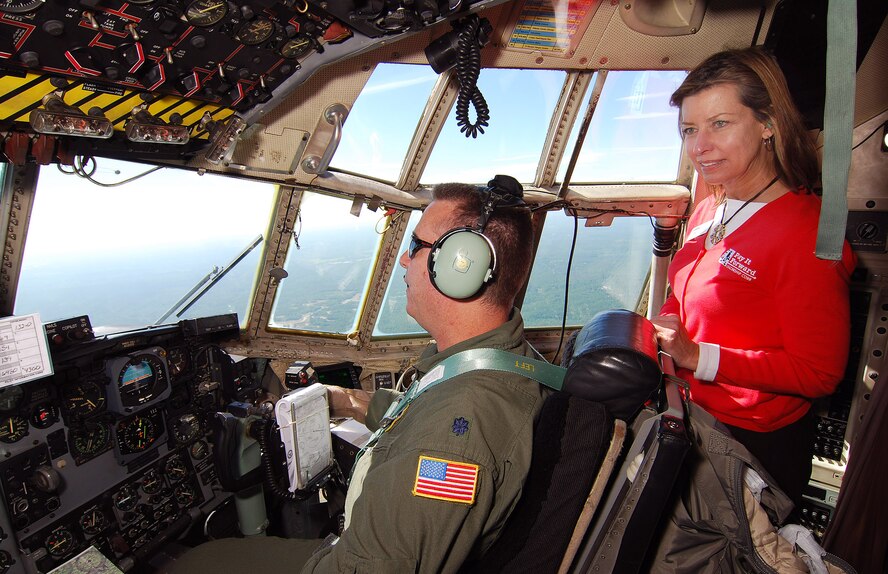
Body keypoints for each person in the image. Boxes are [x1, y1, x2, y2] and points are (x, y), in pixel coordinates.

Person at [170, 175, 548, 573]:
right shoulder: (500, 359)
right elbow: (424, 412)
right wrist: (346, 399)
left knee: (198, 562)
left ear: (461, 265)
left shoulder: (453, 437)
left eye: (415, 246)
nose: (403, 258)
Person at [650, 47, 855, 510]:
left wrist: (697, 356)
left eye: (719, 124)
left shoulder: (805, 232)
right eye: (689, 129)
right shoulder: (710, 208)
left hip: (753, 446)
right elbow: (681, 296)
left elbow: (820, 373)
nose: (700, 145)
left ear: (768, 124)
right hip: (690, 416)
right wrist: (666, 326)